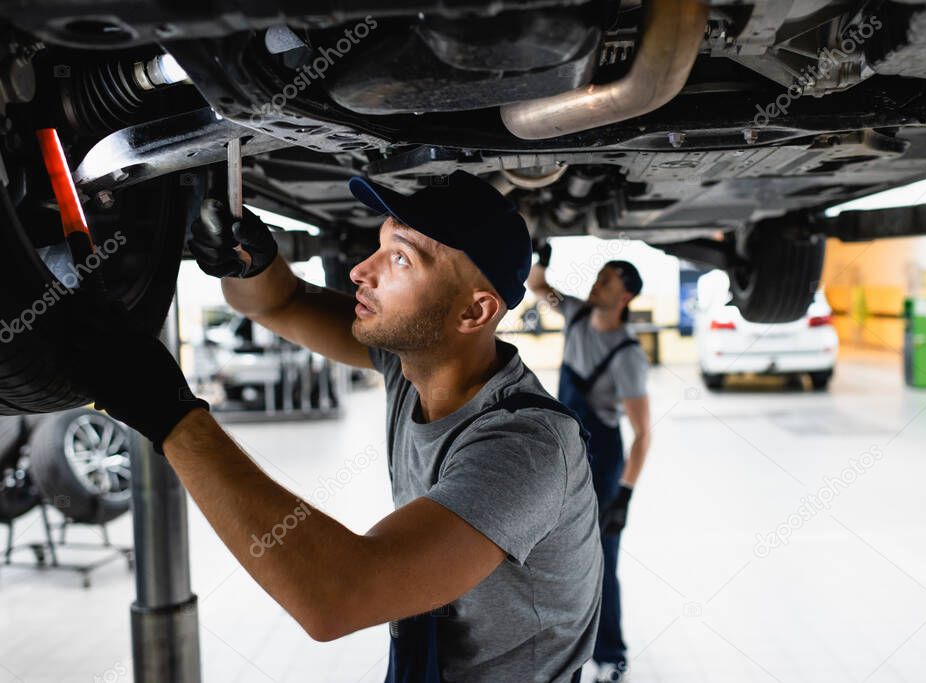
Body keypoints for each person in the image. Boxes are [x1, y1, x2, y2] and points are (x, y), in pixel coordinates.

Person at [66, 170, 603, 682]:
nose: (360, 271)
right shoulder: (413, 363)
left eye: (400, 259)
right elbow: (282, 301)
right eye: (379, 244)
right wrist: (249, 263)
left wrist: (172, 417)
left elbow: (336, 596)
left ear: (472, 312)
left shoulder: (525, 446)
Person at [527, 245, 652, 683]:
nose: (595, 284)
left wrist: (624, 496)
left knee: (602, 563)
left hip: (603, 464)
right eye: (597, 276)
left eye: (606, 281)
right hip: (565, 455)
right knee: (559, 557)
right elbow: (538, 287)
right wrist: (540, 257)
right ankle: (566, 647)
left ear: (625, 298)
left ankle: (612, 655)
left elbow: (643, 434)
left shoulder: (628, 355)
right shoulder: (575, 313)